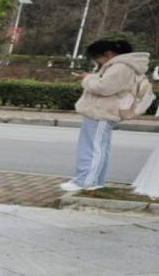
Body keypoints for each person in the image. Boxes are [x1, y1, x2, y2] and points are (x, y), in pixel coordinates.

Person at [61, 38, 151, 192]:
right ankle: (94, 181)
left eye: (97, 58)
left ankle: (85, 182)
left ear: (108, 54)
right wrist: (92, 77)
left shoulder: (121, 67)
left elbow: (103, 88)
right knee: (98, 148)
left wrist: (87, 78)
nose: (97, 62)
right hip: (101, 112)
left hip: (102, 112)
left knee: (93, 149)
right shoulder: (123, 66)